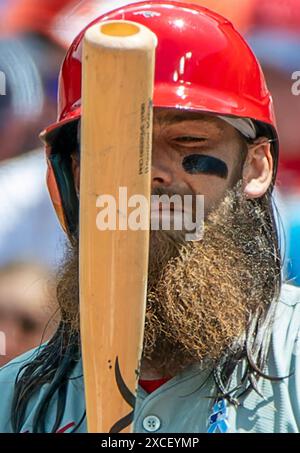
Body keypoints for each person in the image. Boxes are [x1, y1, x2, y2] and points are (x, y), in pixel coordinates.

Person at [0, 1, 299, 434]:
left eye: (188, 139)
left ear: (256, 167)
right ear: (72, 176)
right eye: (114, 148)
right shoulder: (16, 400)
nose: (149, 173)